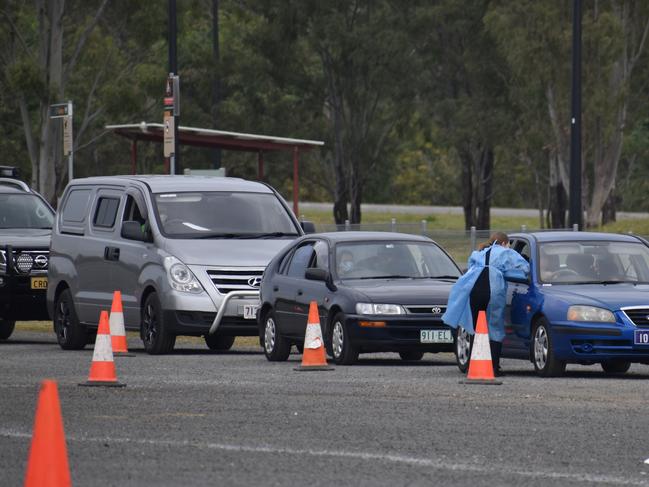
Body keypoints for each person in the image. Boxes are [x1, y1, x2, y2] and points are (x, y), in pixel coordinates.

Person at [442, 232, 530, 375]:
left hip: (474, 289)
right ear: (503, 243)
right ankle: (494, 367)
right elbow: (525, 268)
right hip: (493, 289)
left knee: (476, 327)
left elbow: (470, 267)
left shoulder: (479, 253)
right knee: (494, 326)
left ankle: (473, 364)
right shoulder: (506, 252)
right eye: (508, 244)